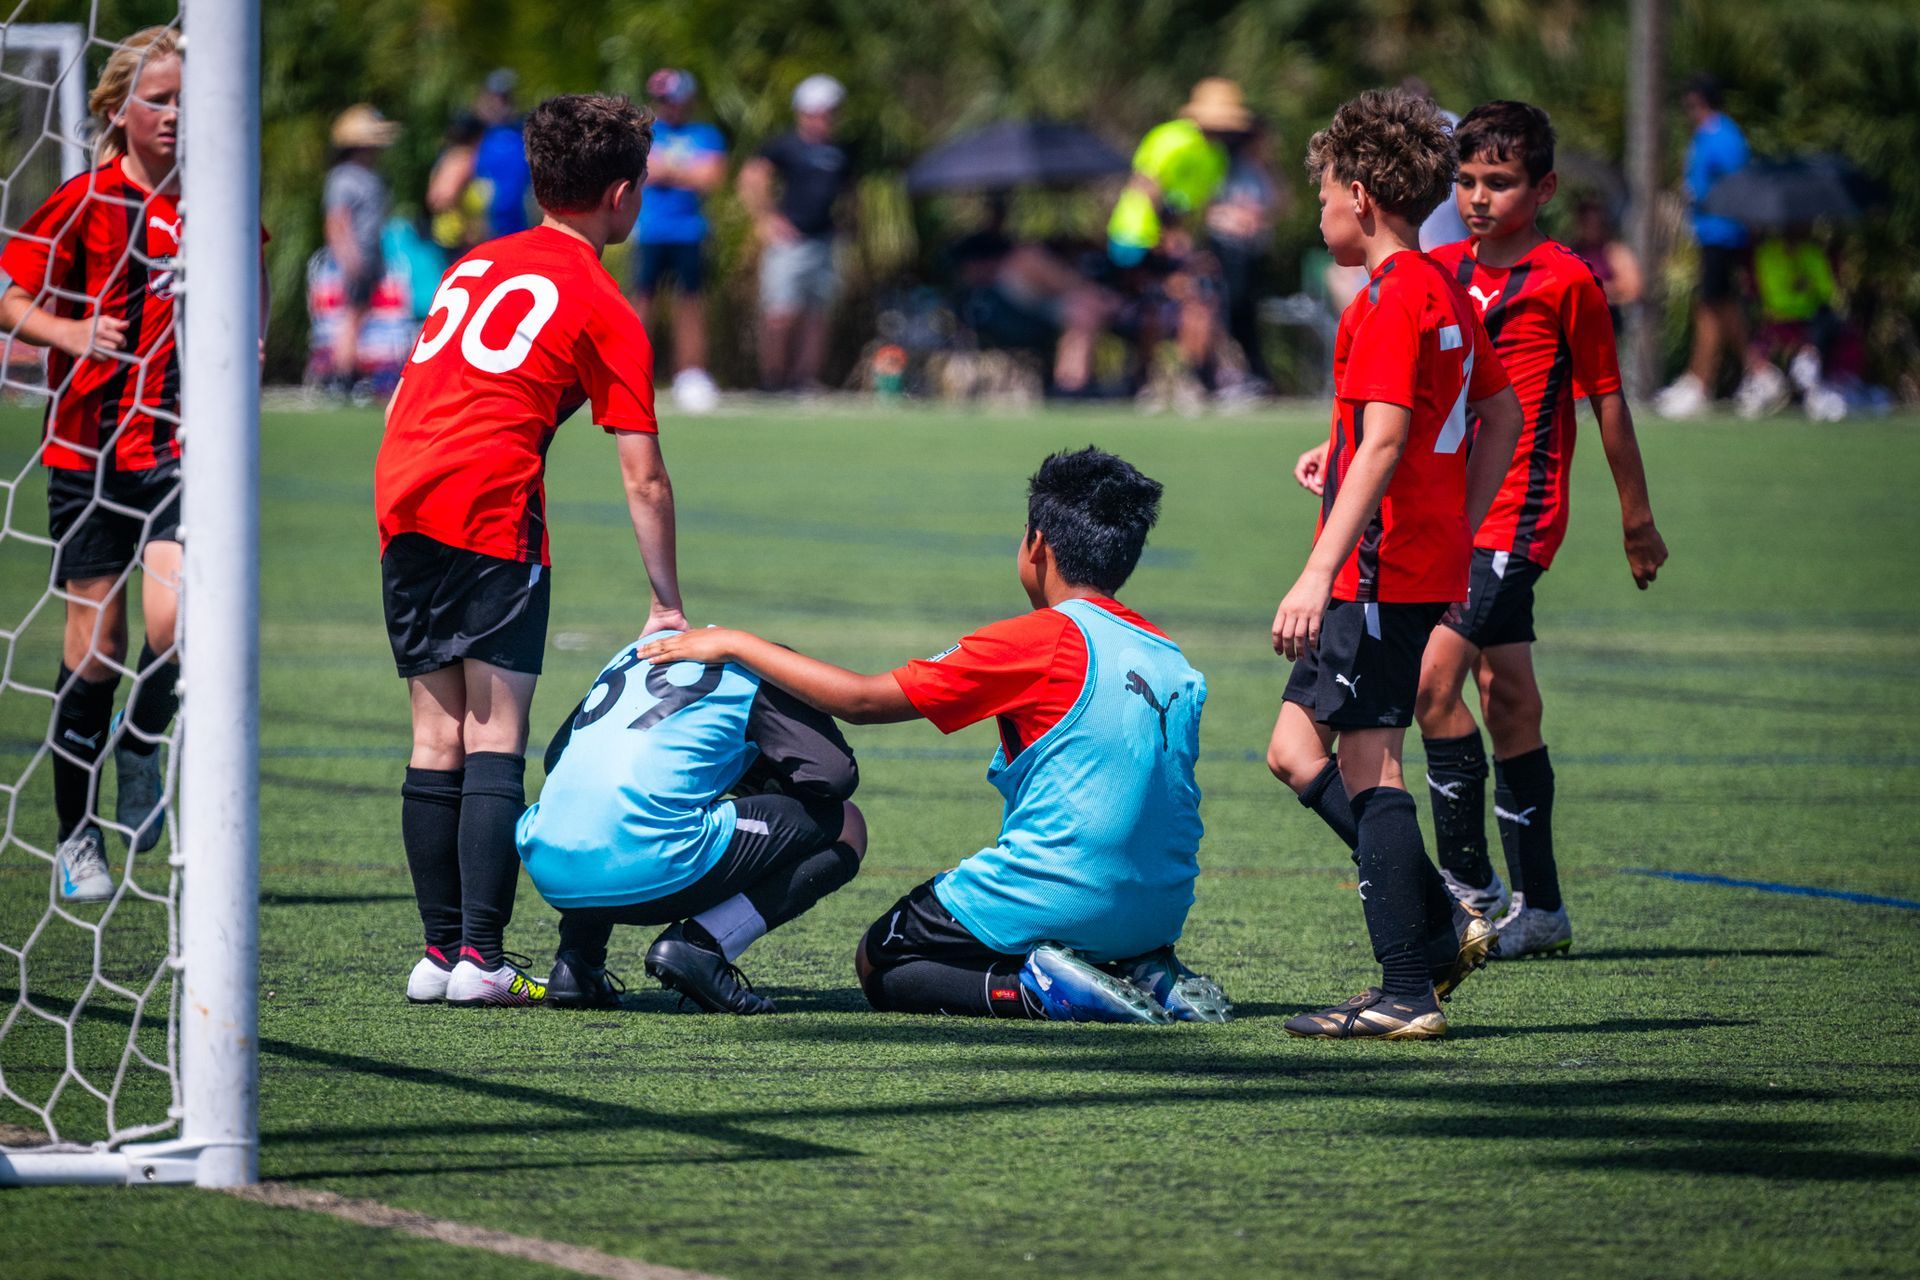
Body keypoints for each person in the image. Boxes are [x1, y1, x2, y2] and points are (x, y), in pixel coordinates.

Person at [639, 448, 1231, 1024]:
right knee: (1080, 907)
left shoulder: (1039, 639)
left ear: (1037, 546)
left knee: (884, 959)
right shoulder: (1171, 657)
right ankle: (1143, 971)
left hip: (1066, 894)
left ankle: (1037, 992)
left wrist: (736, 642)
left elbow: (863, 700)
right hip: (1161, 910)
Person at [375, 94, 684, 1008]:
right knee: (494, 730)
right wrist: (666, 600)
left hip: (404, 491)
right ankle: (481, 959)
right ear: (622, 195)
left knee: (434, 733)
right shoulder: (603, 300)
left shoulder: (475, 262)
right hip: (488, 503)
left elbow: (405, 397)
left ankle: (437, 955)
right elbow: (644, 477)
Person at [1264, 89, 1524, 1041]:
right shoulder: (1445, 288)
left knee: (1370, 763)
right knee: (1294, 753)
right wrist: (1438, 507)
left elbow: (1385, 443)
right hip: (1406, 559)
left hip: (1372, 577)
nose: (1320, 211)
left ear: (1362, 195)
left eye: (1326, 192)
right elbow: (1495, 416)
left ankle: (1406, 988)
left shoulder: (1387, 298)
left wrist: (1315, 573)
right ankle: (1442, 924)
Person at [1415, 101, 1669, 959]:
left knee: (1431, 686)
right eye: (1468, 181)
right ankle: (1546, 910)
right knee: (1510, 699)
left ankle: (1467, 894)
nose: (1479, 197)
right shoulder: (1441, 267)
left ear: (1544, 188)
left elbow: (1608, 402)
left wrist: (1637, 519)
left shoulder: (1568, 280)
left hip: (1517, 517)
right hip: (1450, 514)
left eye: (1500, 182)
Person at [0, 27, 200, 900]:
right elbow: (7, 294)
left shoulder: (211, 205)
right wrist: (71, 333)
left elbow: (255, 274)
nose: (174, 114)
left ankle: (142, 743)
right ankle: (76, 835)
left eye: (188, 99)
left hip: (180, 455)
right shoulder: (84, 201)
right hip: (88, 456)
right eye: (158, 98)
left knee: (185, 625)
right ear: (116, 110)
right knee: (96, 650)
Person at [516, 633, 864, 1014]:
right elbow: (833, 778)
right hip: (649, 865)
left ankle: (576, 963)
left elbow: (555, 758)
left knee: (603, 804)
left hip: (547, 865)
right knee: (846, 823)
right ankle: (701, 945)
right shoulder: (758, 666)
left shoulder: (639, 651)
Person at [1107, 78, 1247, 403]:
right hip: (1135, 238)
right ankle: (1151, 379)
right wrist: (1167, 235)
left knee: (1198, 299)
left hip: (1171, 240)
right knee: (1172, 302)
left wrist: (1191, 242)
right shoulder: (1171, 138)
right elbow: (1147, 186)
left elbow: (1194, 207)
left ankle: (1185, 377)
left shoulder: (1216, 158)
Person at [739, 74, 856, 393]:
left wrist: (846, 222)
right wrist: (766, 219)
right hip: (791, 242)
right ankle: (774, 378)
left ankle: (804, 380)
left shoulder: (841, 151)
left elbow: (849, 193)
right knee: (781, 311)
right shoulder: (785, 145)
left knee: (817, 313)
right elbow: (752, 177)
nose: (830, 118)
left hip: (825, 241)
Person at [1653, 75, 1753, 419]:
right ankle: (1757, 371)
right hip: (1709, 232)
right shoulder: (1705, 136)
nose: (1688, 110)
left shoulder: (1723, 135)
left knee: (1711, 305)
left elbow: (1738, 182)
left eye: (1692, 103)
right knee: (1719, 304)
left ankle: (1702, 381)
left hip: (1724, 231)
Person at [634, 68, 727, 414]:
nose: (667, 107)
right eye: (662, 100)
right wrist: (685, 172)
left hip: (690, 231)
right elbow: (645, 171)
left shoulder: (706, 134)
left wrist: (668, 171)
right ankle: (632, 370)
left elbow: (711, 176)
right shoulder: (645, 133)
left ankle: (691, 375)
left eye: (673, 100)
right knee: (643, 301)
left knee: (691, 303)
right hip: (651, 231)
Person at [323, 104, 399, 398]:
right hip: (355, 256)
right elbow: (337, 221)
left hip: (371, 254)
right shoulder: (343, 177)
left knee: (361, 314)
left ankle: (350, 369)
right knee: (352, 315)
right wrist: (348, 256)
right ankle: (342, 375)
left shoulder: (370, 176)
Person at [1206, 118, 1285, 395]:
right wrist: (1235, 218)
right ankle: (1224, 373)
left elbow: (1278, 206)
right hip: (1227, 253)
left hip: (1251, 256)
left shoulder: (1259, 172)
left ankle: (1252, 374)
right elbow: (1209, 209)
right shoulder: (1225, 168)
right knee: (1227, 309)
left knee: (1246, 315)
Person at [472, 69, 533, 240]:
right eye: (497, 97)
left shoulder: (524, 131)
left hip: (520, 224)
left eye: (506, 97)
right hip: (483, 227)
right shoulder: (475, 134)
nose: (501, 103)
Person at [1568, 196, 1644, 330]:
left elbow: (1634, 289)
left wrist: (1601, 288)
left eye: (1595, 222)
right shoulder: (1571, 252)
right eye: (1586, 222)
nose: (1591, 227)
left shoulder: (1615, 252)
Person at [425, 113, 489, 256]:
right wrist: (467, 232)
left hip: (445, 237)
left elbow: (433, 197)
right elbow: (443, 197)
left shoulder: (447, 157)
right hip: (458, 241)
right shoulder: (463, 160)